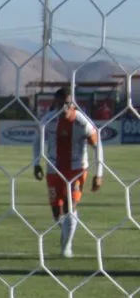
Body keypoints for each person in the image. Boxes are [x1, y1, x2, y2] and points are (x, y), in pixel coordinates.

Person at [33, 87, 104, 258]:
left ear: (73, 104)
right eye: (59, 104)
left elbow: (97, 146)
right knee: (57, 212)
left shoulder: (82, 122)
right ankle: (67, 233)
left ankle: (66, 246)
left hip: (77, 170)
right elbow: (36, 142)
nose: (63, 107)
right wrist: (36, 164)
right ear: (55, 104)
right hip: (54, 169)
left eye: (66, 103)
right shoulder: (47, 121)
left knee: (70, 207)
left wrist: (98, 173)